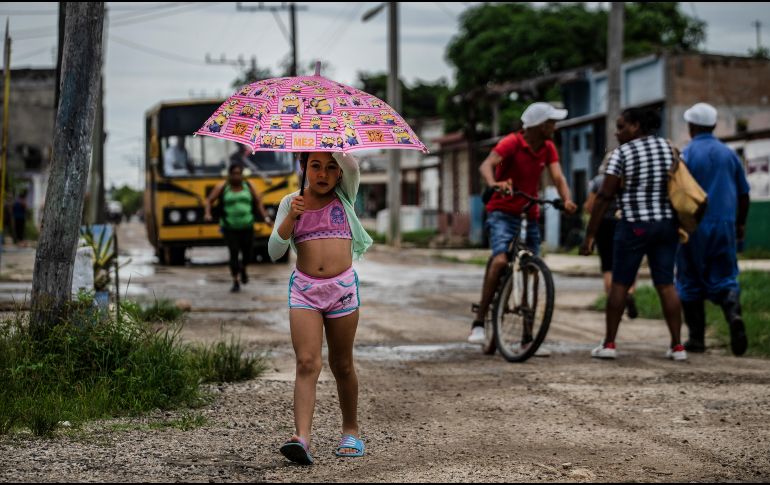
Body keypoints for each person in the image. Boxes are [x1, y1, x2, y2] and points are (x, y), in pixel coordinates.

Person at [268, 151, 373, 465]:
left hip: (341, 291)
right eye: (315, 166)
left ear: (340, 173)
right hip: (305, 292)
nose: (323, 174)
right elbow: (274, 251)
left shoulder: (346, 196)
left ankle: (351, 430)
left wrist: (331, 141)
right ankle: (301, 437)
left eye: (331, 167)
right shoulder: (291, 202)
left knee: (342, 364)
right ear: (302, 167)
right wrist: (291, 218)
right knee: (306, 362)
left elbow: (352, 165)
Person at [581, 107, 686, 361]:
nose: (616, 133)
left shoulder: (623, 153)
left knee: (620, 283)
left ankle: (609, 344)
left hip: (634, 225)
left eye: (621, 127)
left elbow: (605, 195)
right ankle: (677, 346)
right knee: (666, 284)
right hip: (665, 225)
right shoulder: (668, 148)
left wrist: (590, 234)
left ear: (636, 126)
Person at [470, 102, 578, 347]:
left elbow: (558, 177)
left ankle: (528, 335)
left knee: (533, 270)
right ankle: (479, 322)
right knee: (499, 260)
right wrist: (494, 183)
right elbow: (486, 165)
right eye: (551, 122)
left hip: (529, 212)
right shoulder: (512, 142)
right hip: (502, 211)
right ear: (539, 126)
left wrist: (567, 200)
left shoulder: (548, 147)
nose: (554, 126)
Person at [675, 102, 751, 355]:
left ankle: (697, 338)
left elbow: (678, 191)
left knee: (690, 279)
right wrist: (740, 223)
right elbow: (744, 194)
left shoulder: (686, 155)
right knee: (725, 275)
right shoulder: (729, 154)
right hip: (725, 223)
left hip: (694, 224)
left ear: (692, 126)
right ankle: (732, 314)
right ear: (714, 125)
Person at [584, 157, 638, 319]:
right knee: (628, 263)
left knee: (608, 265)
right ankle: (629, 292)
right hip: (624, 222)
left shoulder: (598, 181)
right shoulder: (628, 179)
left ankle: (614, 306)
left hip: (603, 225)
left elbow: (590, 207)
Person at [204, 162, 271, 292]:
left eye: (239, 174)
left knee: (248, 255)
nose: (236, 176)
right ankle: (235, 281)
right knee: (233, 253)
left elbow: (258, 203)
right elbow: (209, 200)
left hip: (247, 226)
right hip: (229, 227)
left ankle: (243, 268)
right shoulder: (223, 186)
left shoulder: (249, 185)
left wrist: (266, 218)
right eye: (234, 174)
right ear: (229, 175)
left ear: (242, 175)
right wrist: (207, 213)